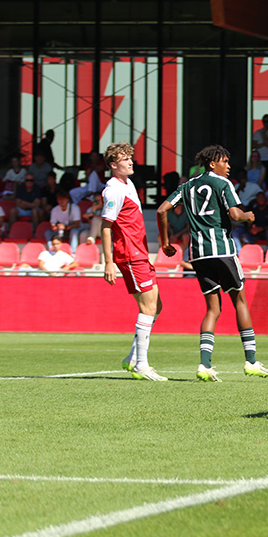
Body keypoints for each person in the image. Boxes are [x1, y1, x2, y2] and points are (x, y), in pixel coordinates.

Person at [157, 144, 268, 382]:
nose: (229, 166)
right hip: (222, 249)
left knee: (212, 308)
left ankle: (204, 365)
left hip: (198, 254)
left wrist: (165, 243)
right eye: (225, 162)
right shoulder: (223, 183)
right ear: (213, 163)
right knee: (239, 301)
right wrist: (249, 215)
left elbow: (161, 210)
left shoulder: (186, 186)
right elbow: (235, 215)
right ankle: (251, 361)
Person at [100, 142, 167, 382]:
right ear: (113, 165)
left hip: (140, 252)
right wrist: (108, 262)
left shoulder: (127, 184)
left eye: (130, 157)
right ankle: (141, 365)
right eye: (124, 159)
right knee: (147, 308)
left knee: (156, 306)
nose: (130, 162)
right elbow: (106, 227)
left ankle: (132, 358)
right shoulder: (114, 191)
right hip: (130, 254)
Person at [251, 114, 268, 184]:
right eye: (265, 121)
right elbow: (253, 145)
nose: (266, 123)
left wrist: (263, 134)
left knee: (266, 179)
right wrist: (264, 144)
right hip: (257, 159)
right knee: (256, 177)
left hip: (267, 159)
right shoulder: (257, 132)